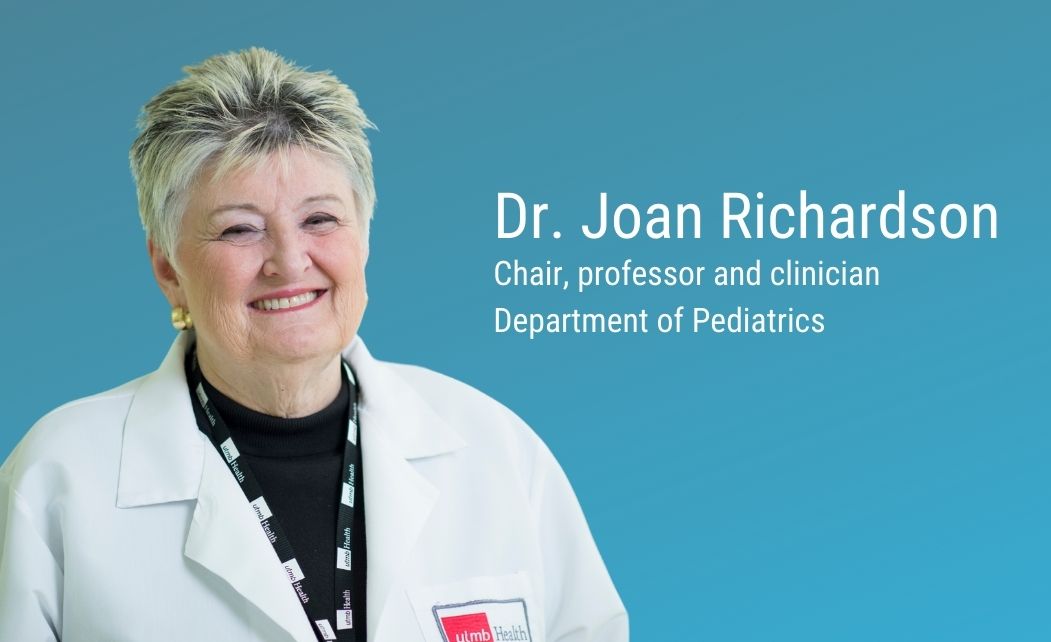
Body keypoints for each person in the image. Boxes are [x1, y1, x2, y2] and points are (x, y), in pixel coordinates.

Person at [0, 47, 627, 642]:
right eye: (239, 229)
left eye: (320, 219)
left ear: (365, 238)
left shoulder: (496, 454)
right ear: (168, 268)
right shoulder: (61, 481)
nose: (289, 262)